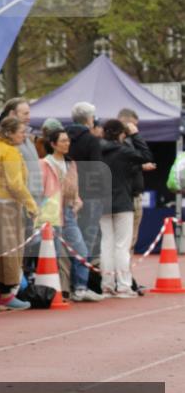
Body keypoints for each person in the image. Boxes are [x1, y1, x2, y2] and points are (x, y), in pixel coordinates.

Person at [0, 116, 38, 310]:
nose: (24, 135)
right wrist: (31, 205)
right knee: (9, 250)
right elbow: (15, 184)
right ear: (9, 133)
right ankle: (5, 295)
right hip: (5, 206)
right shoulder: (10, 151)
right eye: (21, 132)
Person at [39, 128, 103, 302]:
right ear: (53, 144)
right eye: (63, 141)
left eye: (68, 141)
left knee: (81, 250)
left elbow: (74, 188)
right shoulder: (45, 164)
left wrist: (77, 200)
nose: (67, 144)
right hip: (51, 213)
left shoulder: (71, 163)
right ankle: (56, 290)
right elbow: (42, 190)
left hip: (68, 212)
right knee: (56, 253)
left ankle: (80, 287)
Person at [99, 118, 152, 297]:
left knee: (106, 244)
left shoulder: (97, 149)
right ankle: (123, 286)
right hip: (122, 201)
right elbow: (146, 156)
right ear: (122, 134)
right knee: (122, 246)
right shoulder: (123, 151)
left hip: (102, 202)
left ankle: (107, 285)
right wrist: (135, 134)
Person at [66, 102, 104, 254]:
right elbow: (97, 168)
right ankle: (84, 273)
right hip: (90, 194)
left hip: (67, 193)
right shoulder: (91, 140)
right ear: (89, 119)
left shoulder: (63, 137)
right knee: (88, 237)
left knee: (69, 237)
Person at [117, 107, 156, 252]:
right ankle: (122, 272)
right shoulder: (122, 142)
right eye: (133, 125)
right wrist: (141, 165)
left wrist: (140, 166)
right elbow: (144, 156)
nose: (135, 129)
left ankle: (125, 271)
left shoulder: (127, 142)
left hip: (131, 193)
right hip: (126, 196)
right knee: (126, 239)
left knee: (131, 238)